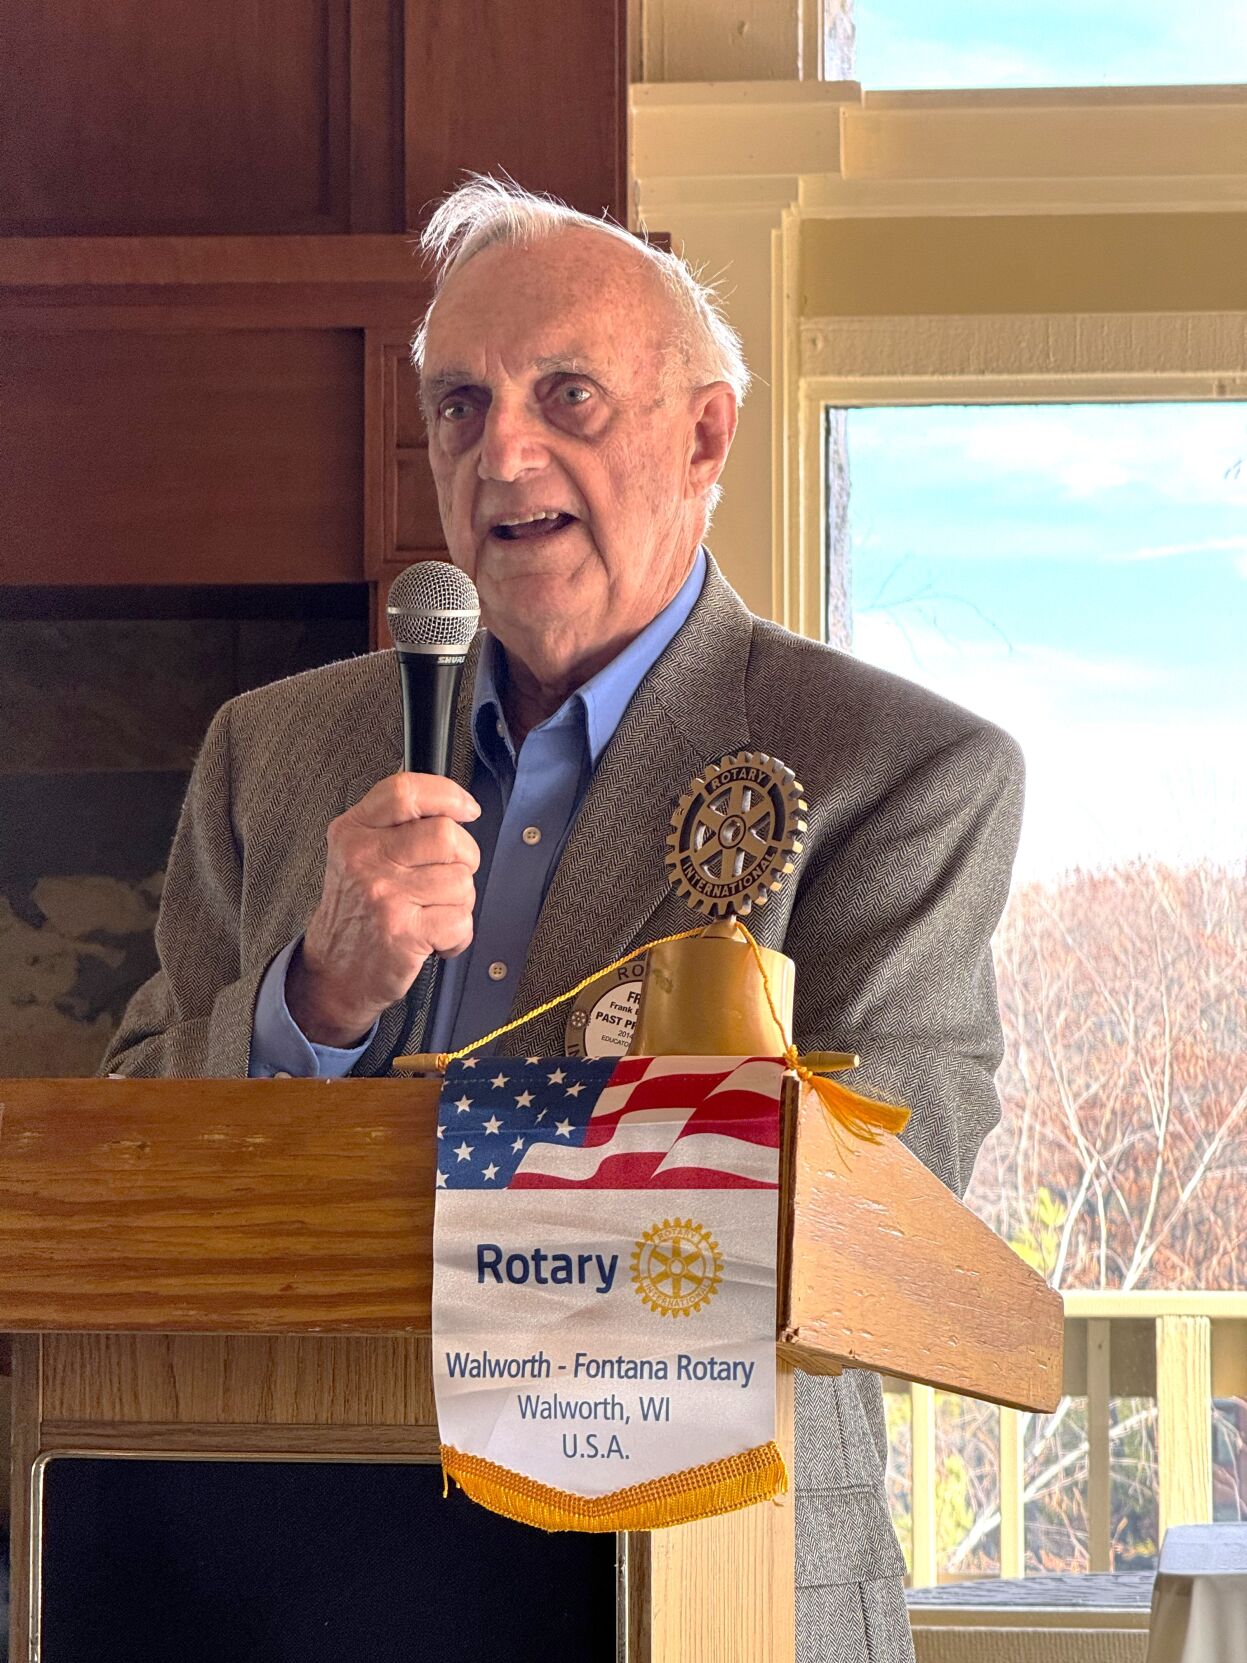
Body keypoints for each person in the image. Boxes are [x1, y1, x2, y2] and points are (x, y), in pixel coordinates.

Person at [104, 175, 1024, 1662]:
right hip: (282, 1578)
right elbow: (127, 1160)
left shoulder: (901, 773)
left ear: (706, 433)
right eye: (460, 403)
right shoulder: (267, 754)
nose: (502, 448)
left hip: (697, 1577)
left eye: (569, 394)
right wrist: (314, 1003)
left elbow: (896, 1218)